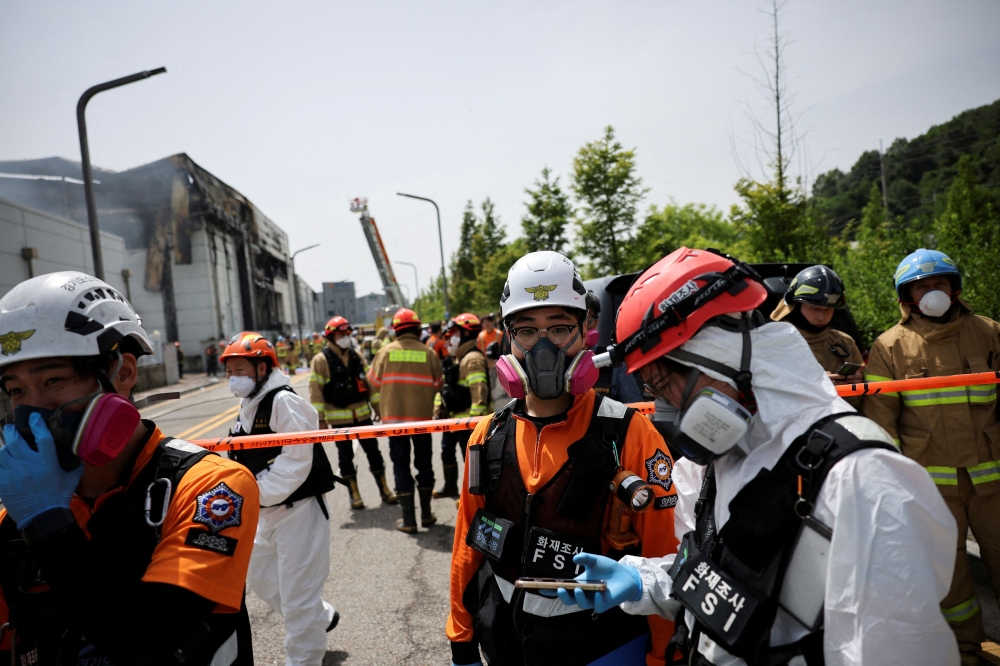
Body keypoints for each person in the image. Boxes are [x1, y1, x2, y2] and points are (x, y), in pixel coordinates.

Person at [551, 247, 960, 665]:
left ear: (721, 355)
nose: (667, 414)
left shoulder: (863, 479)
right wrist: (645, 580)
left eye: (667, 385)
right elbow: (723, 577)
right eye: (652, 393)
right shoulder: (710, 466)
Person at [0, 271, 259, 664]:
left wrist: (49, 526)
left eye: (54, 380)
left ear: (123, 372)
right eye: (17, 391)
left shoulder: (207, 486)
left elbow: (152, 640)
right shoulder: (12, 518)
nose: (35, 410)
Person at [447, 251, 679, 666]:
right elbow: (469, 545)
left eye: (559, 328)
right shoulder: (488, 435)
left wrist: (665, 655)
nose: (544, 347)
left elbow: (664, 553)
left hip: (605, 647)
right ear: (507, 338)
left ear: (585, 330)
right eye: (527, 331)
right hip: (506, 641)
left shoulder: (629, 433)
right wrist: (461, 640)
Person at [864, 248, 1000, 664]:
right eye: (922, 287)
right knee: (949, 571)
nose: (932, 293)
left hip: (991, 479)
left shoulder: (989, 332)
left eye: (939, 284)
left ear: (955, 289)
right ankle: (965, 646)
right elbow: (881, 420)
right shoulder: (889, 347)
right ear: (907, 297)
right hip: (930, 486)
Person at [221, 332, 339, 666]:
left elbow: (296, 461)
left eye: (240, 369)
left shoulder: (283, 401)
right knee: (260, 579)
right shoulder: (249, 405)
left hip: (298, 512)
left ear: (262, 368)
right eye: (230, 371)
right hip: (263, 512)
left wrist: (253, 493)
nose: (234, 378)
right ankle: (321, 616)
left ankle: (304, 656)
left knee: (298, 600)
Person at [309, 316, 395, 509]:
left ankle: (384, 489)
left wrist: (378, 408)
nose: (345, 338)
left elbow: (369, 386)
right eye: (341, 334)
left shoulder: (356, 356)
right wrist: (321, 421)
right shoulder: (321, 360)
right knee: (345, 457)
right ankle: (354, 494)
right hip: (339, 420)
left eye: (347, 334)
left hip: (363, 416)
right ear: (331, 337)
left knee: (374, 453)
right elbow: (316, 393)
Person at [368, 308, 442, 533]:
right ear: (418, 329)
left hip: (394, 422)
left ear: (395, 330)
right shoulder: (429, 353)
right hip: (422, 421)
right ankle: (427, 514)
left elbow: (373, 382)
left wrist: (378, 408)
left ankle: (408, 519)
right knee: (424, 464)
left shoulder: (384, 352)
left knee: (401, 466)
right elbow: (439, 384)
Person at [770, 265, 864, 406]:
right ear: (795, 305)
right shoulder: (774, 342)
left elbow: (866, 400)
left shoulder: (845, 342)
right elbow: (769, 396)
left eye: (828, 310)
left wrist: (860, 382)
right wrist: (811, 385)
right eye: (814, 308)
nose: (821, 317)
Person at [433, 313, 490, 498]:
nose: (449, 340)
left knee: (471, 460)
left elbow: (479, 394)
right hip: (453, 419)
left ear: (466, 334)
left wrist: (474, 424)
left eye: (453, 334)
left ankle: (473, 496)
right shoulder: (460, 357)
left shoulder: (471, 358)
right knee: (447, 453)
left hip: (467, 421)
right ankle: (450, 486)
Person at [585, 290, 644, 404]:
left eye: (586, 320)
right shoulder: (555, 361)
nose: (582, 329)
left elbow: (635, 407)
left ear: (596, 322)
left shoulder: (613, 363)